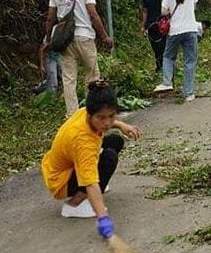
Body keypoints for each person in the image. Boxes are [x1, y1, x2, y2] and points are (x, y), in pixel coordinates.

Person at [41, 80, 141, 236]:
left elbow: (106, 120)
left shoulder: (84, 112)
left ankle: (93, 189)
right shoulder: (82, 141)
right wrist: (103, 218)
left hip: (64, 165)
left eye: (112, 116)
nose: (107, 123)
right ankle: (74, 204)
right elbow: (90, 182)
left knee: (115, 141)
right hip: (61, 181)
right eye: (101, 118)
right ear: (90, 114)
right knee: (109, 158)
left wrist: (121, 125)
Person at [45, 0, 113, 117]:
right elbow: (93, 15)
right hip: (84, 37)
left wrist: (48, 39)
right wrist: (104, 36)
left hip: (65, 41)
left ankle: (72, 116)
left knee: (69, 78)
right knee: (92, 74)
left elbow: (50, 18)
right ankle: (92, 111)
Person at [153, 0, 200, 102]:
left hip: (174, 31)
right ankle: (189, 93)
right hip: (191, 30)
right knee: (189, 62)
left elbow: (163, 12)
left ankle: (167, 82)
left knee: (168, 57)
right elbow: (194, 6)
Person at [138, 0, 166, 72]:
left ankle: (165, 68)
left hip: (161, 24)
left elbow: (166, 7)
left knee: (163, 47)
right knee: (155, 48)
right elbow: (145, 11)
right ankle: (159, 67)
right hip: (150, 25)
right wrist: (143, 26)